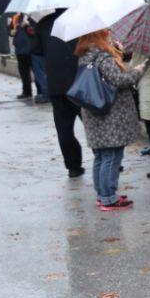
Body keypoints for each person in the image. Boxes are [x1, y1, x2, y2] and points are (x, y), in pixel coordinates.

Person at [73, 30, 145, 210]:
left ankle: (102, 194)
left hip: (94, 113)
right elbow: (120, 80)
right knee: (112, 156)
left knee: (101, 156)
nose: (110, 36)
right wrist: (138, 70)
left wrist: (117, 53)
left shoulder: (85, 56)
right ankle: (109, 198)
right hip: (110, 116)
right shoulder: (103, 57)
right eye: (107, 34)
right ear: (99, 36)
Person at [37, 10, 85, 176]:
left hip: (56, 84)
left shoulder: (44, 22)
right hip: (79, 82)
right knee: (93, 124)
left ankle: (73, 167)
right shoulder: (79, 19)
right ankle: (105, 159)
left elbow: (37, 49)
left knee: (64, 128)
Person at [10, 13, 37, 100]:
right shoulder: (16, 17)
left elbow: (36, 32)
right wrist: (11, 32)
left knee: (37, 72)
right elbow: (10, 30)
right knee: (24, 73)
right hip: (20, 50)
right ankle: (27, 92)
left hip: (32, 50)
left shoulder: (33, 16)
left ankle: (42, 92)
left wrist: (27, 25)